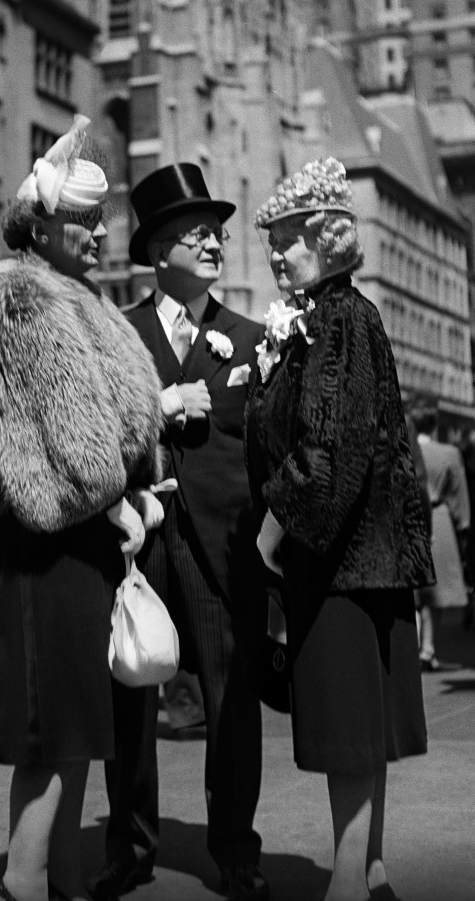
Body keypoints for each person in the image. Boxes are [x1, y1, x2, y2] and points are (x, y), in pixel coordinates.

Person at [0, 116, 169, 901]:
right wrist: (119, 494)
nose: (98, 233)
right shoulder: (19, 302)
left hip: (87, 553)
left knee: (80, 738)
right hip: (50, 557)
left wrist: (129, 488)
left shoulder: (76, 298)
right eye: (81, 220)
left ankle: (67, 888)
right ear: (39, 225)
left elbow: (115, 430)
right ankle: (20, 885)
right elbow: (70, 451)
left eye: (99, 219)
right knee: (52, 743)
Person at [245, 157, 434, 901]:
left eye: (287, 238)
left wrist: (271, 532)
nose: (275, 252)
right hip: (358, 559)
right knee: (358, 734)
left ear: (324, 239)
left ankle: (349, 880)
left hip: (343, 562)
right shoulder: (333, 319)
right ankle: (369, 870)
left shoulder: (338, 320)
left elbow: (329, 450)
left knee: (349, 734)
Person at [91, 162, 269, 901]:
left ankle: (235, 850)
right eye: (196, 232)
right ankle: (129, 848)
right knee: (129, 695)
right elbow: (95, 431)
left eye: (217, 233)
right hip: (139, 536)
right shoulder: (115, 333)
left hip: (223, 545)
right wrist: (160, 406)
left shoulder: (253, 338)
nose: (213, 242)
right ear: (159, 248)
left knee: (232, 705)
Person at [413, 406, 469, 671]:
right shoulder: (449, 453)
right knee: (435, 591)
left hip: (409, 519)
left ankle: (416, 644)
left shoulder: (406, 449)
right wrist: (463, 524)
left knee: (414, 590)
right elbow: (459, 495)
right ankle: (428, 648)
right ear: (435, 425)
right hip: (439, 519)